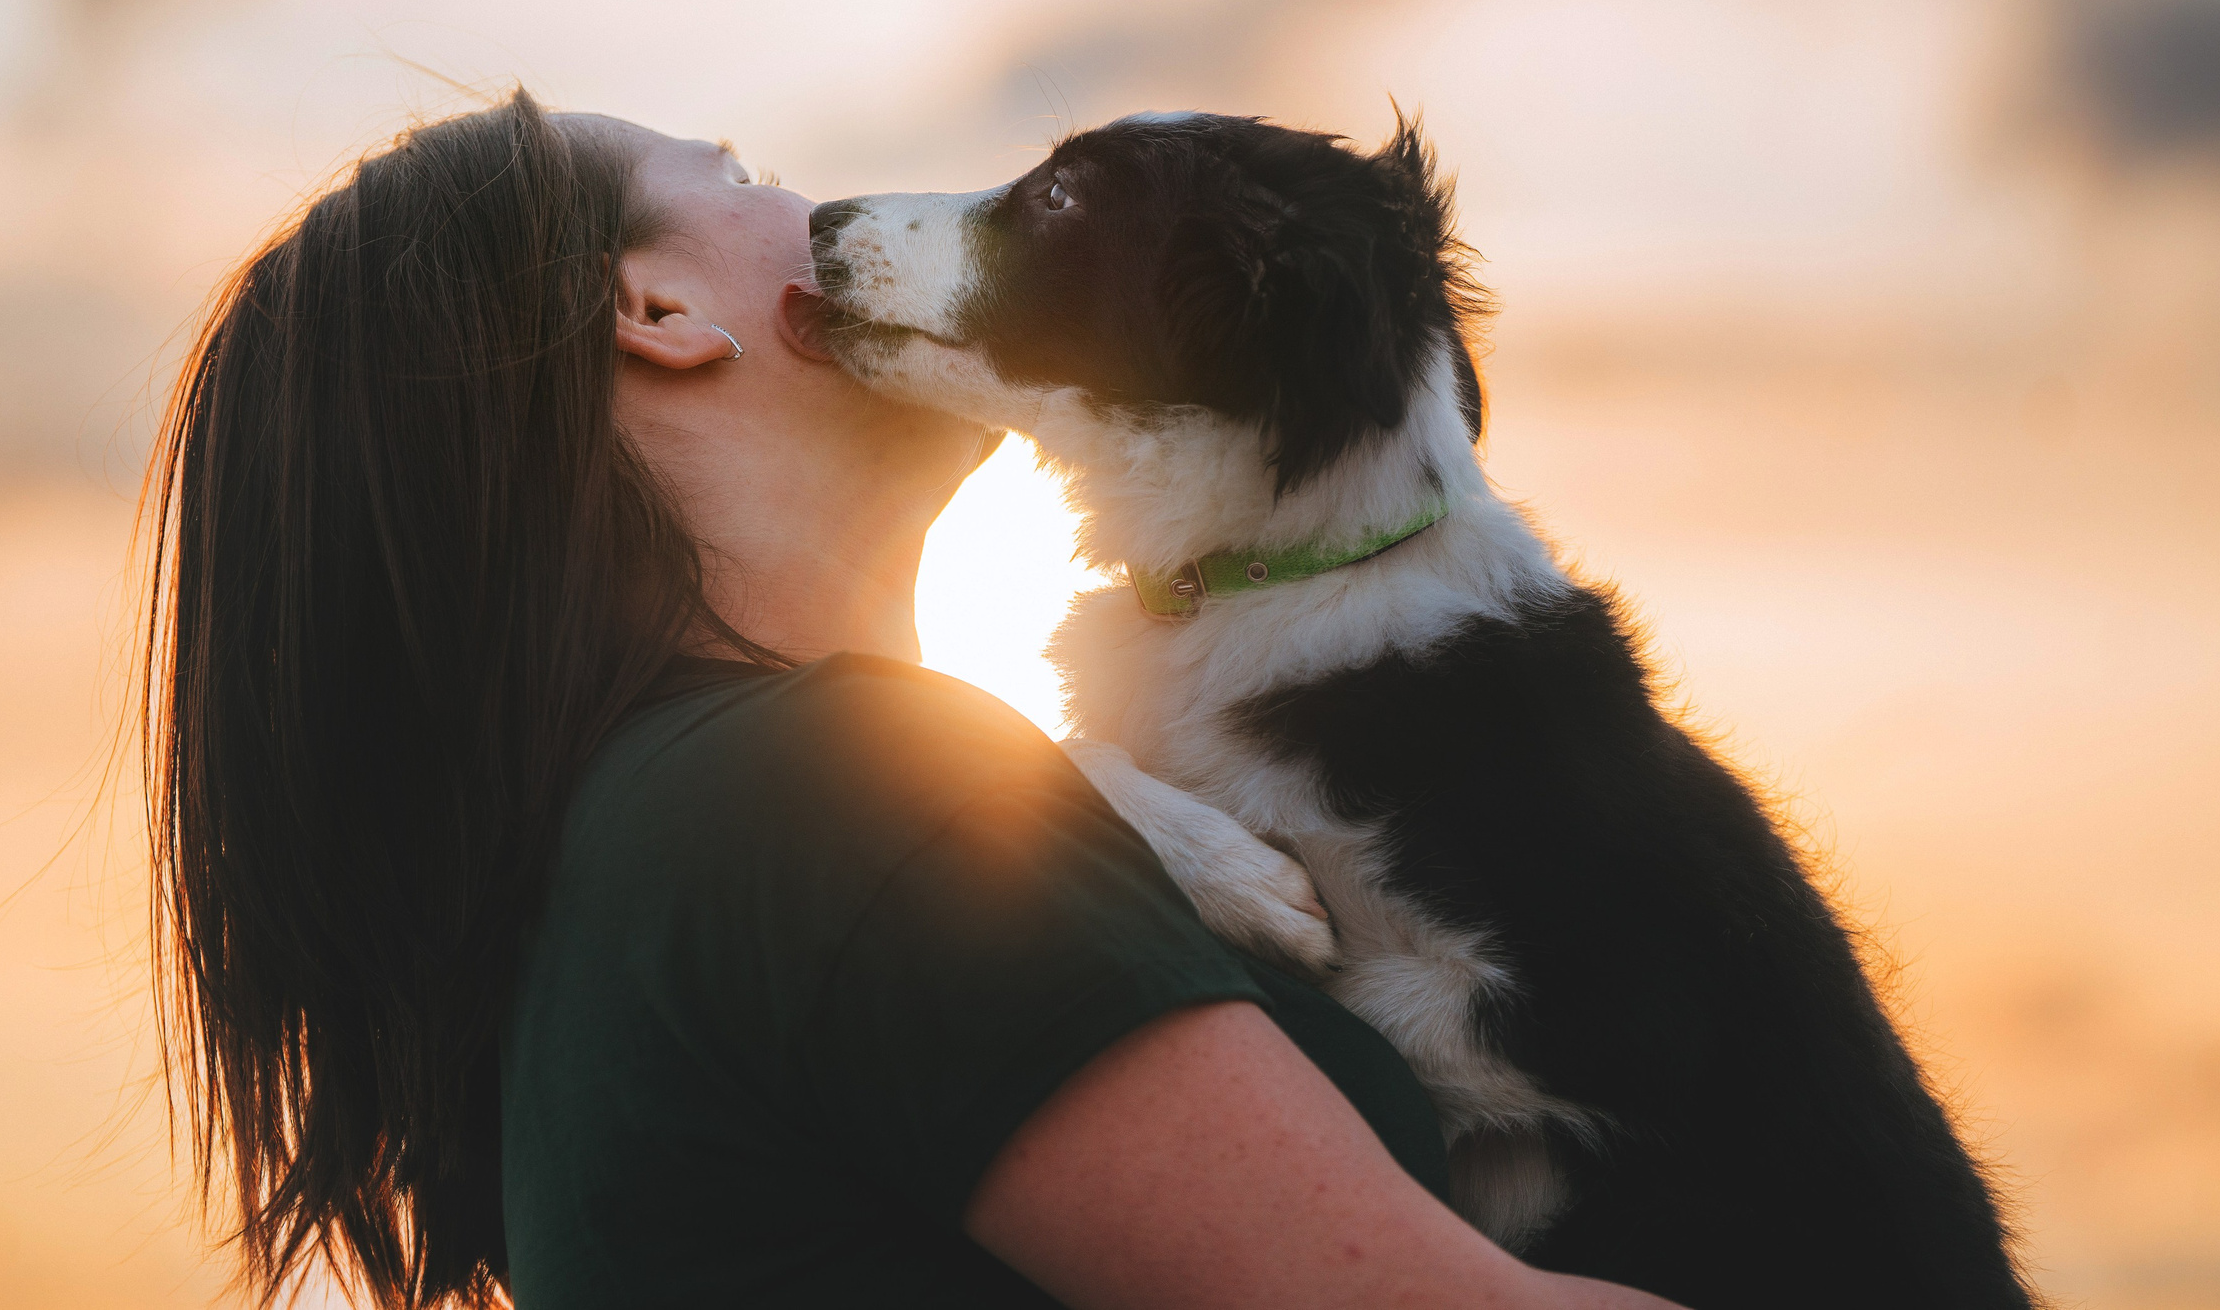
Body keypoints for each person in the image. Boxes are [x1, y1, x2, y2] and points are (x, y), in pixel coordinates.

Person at [141, 89, 1683, 1310]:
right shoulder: (830, 783)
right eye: (740, 176)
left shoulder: (644, 861)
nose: (821, 206)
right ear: (655, 310)